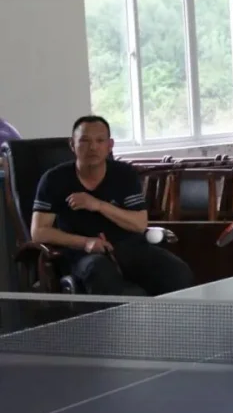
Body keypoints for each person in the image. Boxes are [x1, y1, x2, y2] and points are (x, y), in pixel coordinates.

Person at [30, 115, 194, 295]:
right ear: (72, 144)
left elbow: (139, 224)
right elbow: (39, 232)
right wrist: (85, 242)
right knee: (101, 273)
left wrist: (98, 205)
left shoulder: (124, 174)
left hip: (129, 248)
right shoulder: (54, 179)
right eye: (84, 141)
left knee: (178, 272)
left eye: (100, 141)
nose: (93, 147)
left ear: (110, 145)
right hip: (83, 254)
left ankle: (170, 315)